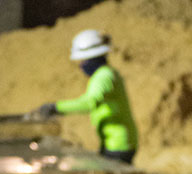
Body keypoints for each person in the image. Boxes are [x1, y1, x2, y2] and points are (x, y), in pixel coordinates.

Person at [30, 29, 137, 163]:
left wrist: (56, 107)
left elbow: (89, 102)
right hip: (115, 141)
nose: (81, 65)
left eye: (83, 60)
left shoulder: (104, 76)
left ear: (92, 57)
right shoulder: (105, 74)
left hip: (119, 144)